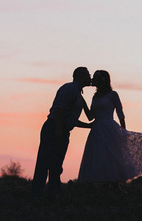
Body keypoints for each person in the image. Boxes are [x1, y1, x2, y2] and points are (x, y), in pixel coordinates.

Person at [77, 70, 142, 183]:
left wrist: (123, 132)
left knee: (111, 157)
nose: (93, 79)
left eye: (95, 77)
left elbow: (120, 114)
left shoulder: (113, 95)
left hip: (109, 129)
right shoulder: (95, 97)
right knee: (99, 158)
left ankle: (114, 186)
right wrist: (82, 101)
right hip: (97, 131)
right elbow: (90, 116)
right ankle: (105, 188)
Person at [31, 67, 93, 198]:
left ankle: (53, 193)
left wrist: (88, 126)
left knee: (56, 166)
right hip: (53, 128)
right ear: (81, 76)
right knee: (44, 163)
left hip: (62, 130)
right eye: (88, 75)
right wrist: (58, 130)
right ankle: (36, 195)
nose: (90, 77)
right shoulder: (69, 89)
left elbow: (71, 119)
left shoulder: (78, 95)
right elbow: (58, 109)